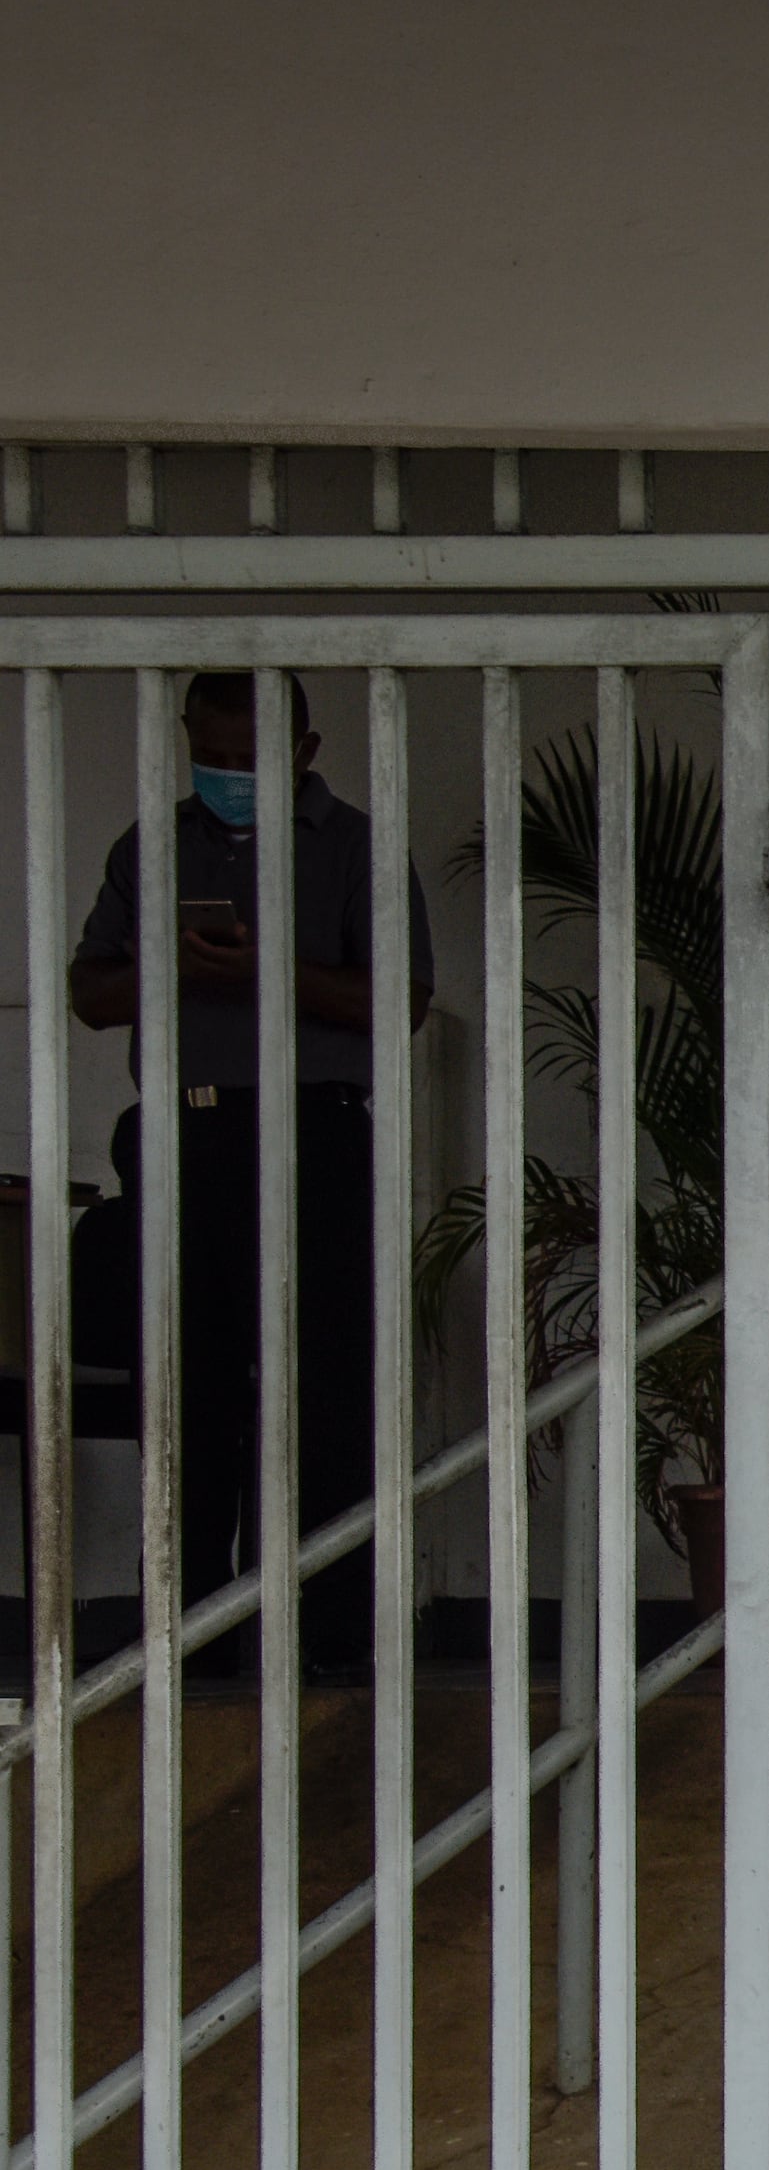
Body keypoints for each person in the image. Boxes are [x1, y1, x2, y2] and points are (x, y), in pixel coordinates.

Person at [69, 669, 431, 1680]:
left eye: (250, 760)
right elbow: (90, 993)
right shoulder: (152, 846)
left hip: (315, 1131)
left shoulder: (355, 845)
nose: (229, 776)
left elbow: (397, 999)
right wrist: (172, 966)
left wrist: (268, 970)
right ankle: (191, 1633)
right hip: (188, 1133)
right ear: (187, 739)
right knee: (189, 1389)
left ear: (303, 753)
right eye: (213, 757)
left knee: (328, 1386)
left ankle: (333, 1638)